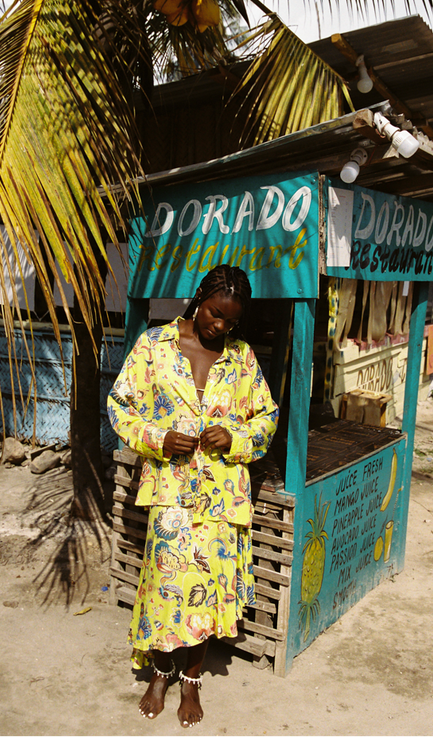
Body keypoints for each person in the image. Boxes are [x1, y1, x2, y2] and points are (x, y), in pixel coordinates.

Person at [107, 265, 279, 728]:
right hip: (172, 492)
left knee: (210, 593)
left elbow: (267, 416)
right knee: (167, 588)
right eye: (214, 314)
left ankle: (192, 680)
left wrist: (236, 437)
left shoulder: (241, 359)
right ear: (199, 297)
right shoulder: (154, 346)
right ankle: (161, 673)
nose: (219, 327)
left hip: (223, 496)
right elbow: (119, 405)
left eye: (230, 321)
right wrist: (156, 438)